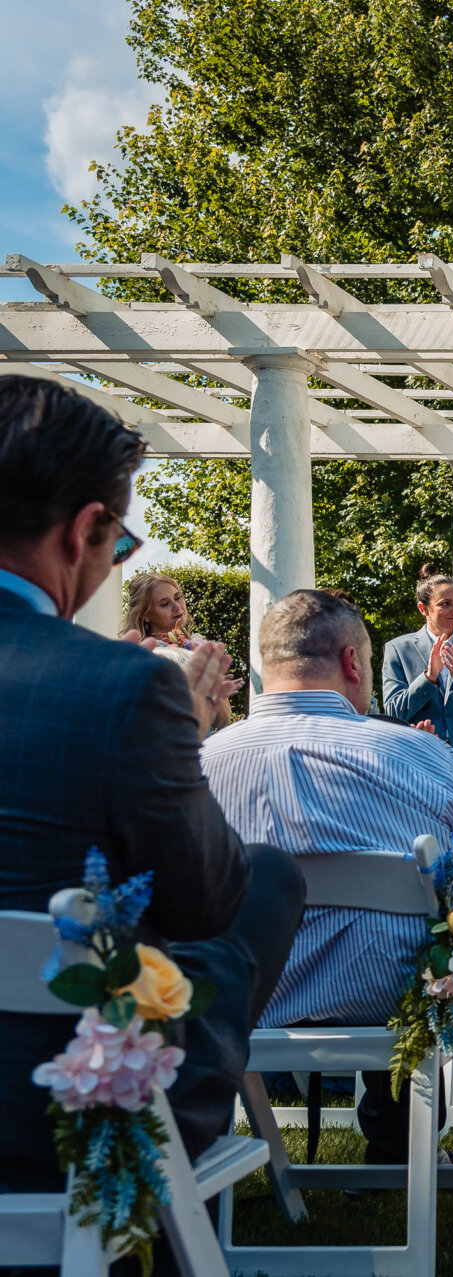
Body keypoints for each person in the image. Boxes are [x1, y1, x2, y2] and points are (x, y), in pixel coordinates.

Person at [0, 374, 304, 1201]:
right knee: (266, 875)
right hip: (51, 1121)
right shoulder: (122, 686)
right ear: (84, 528)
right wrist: (190, 735)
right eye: (120, 545)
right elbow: (204, 902)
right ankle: (160, 1136)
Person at [200, 589, 453, 1174]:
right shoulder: (414, 753)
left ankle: (393, 1151)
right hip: (405, 987)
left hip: (254, 998)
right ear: (352, 663)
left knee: (386, 949)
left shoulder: (197, 764)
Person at [382, 564, 453, 777]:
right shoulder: (398, 649)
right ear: (423, 609)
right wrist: (428, 678)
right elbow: (393, 712)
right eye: (445, 604)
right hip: (418, 759)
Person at [122, 569, 242, 730]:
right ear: (145, 614)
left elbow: (223, 721)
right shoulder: (148, 657)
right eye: (165, 604)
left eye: (178, 598)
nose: (177, 607)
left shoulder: (195, 646)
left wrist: (217, 696)